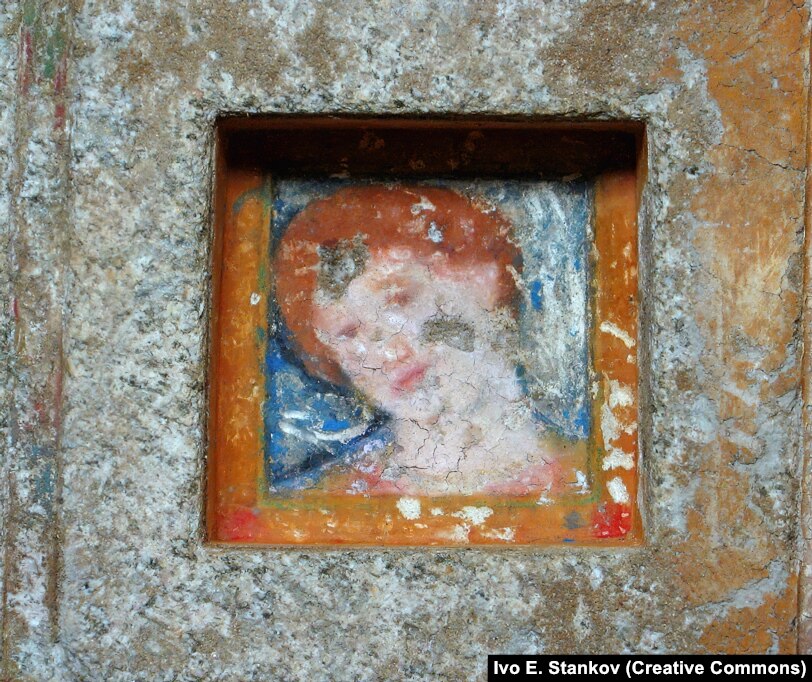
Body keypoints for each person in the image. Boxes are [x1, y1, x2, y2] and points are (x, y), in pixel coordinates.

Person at [273, 184, 563, 496]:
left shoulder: (589, 479)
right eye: (347, 333)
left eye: (399, 300)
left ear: (481, 277)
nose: (390, 352)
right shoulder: (321, 501)